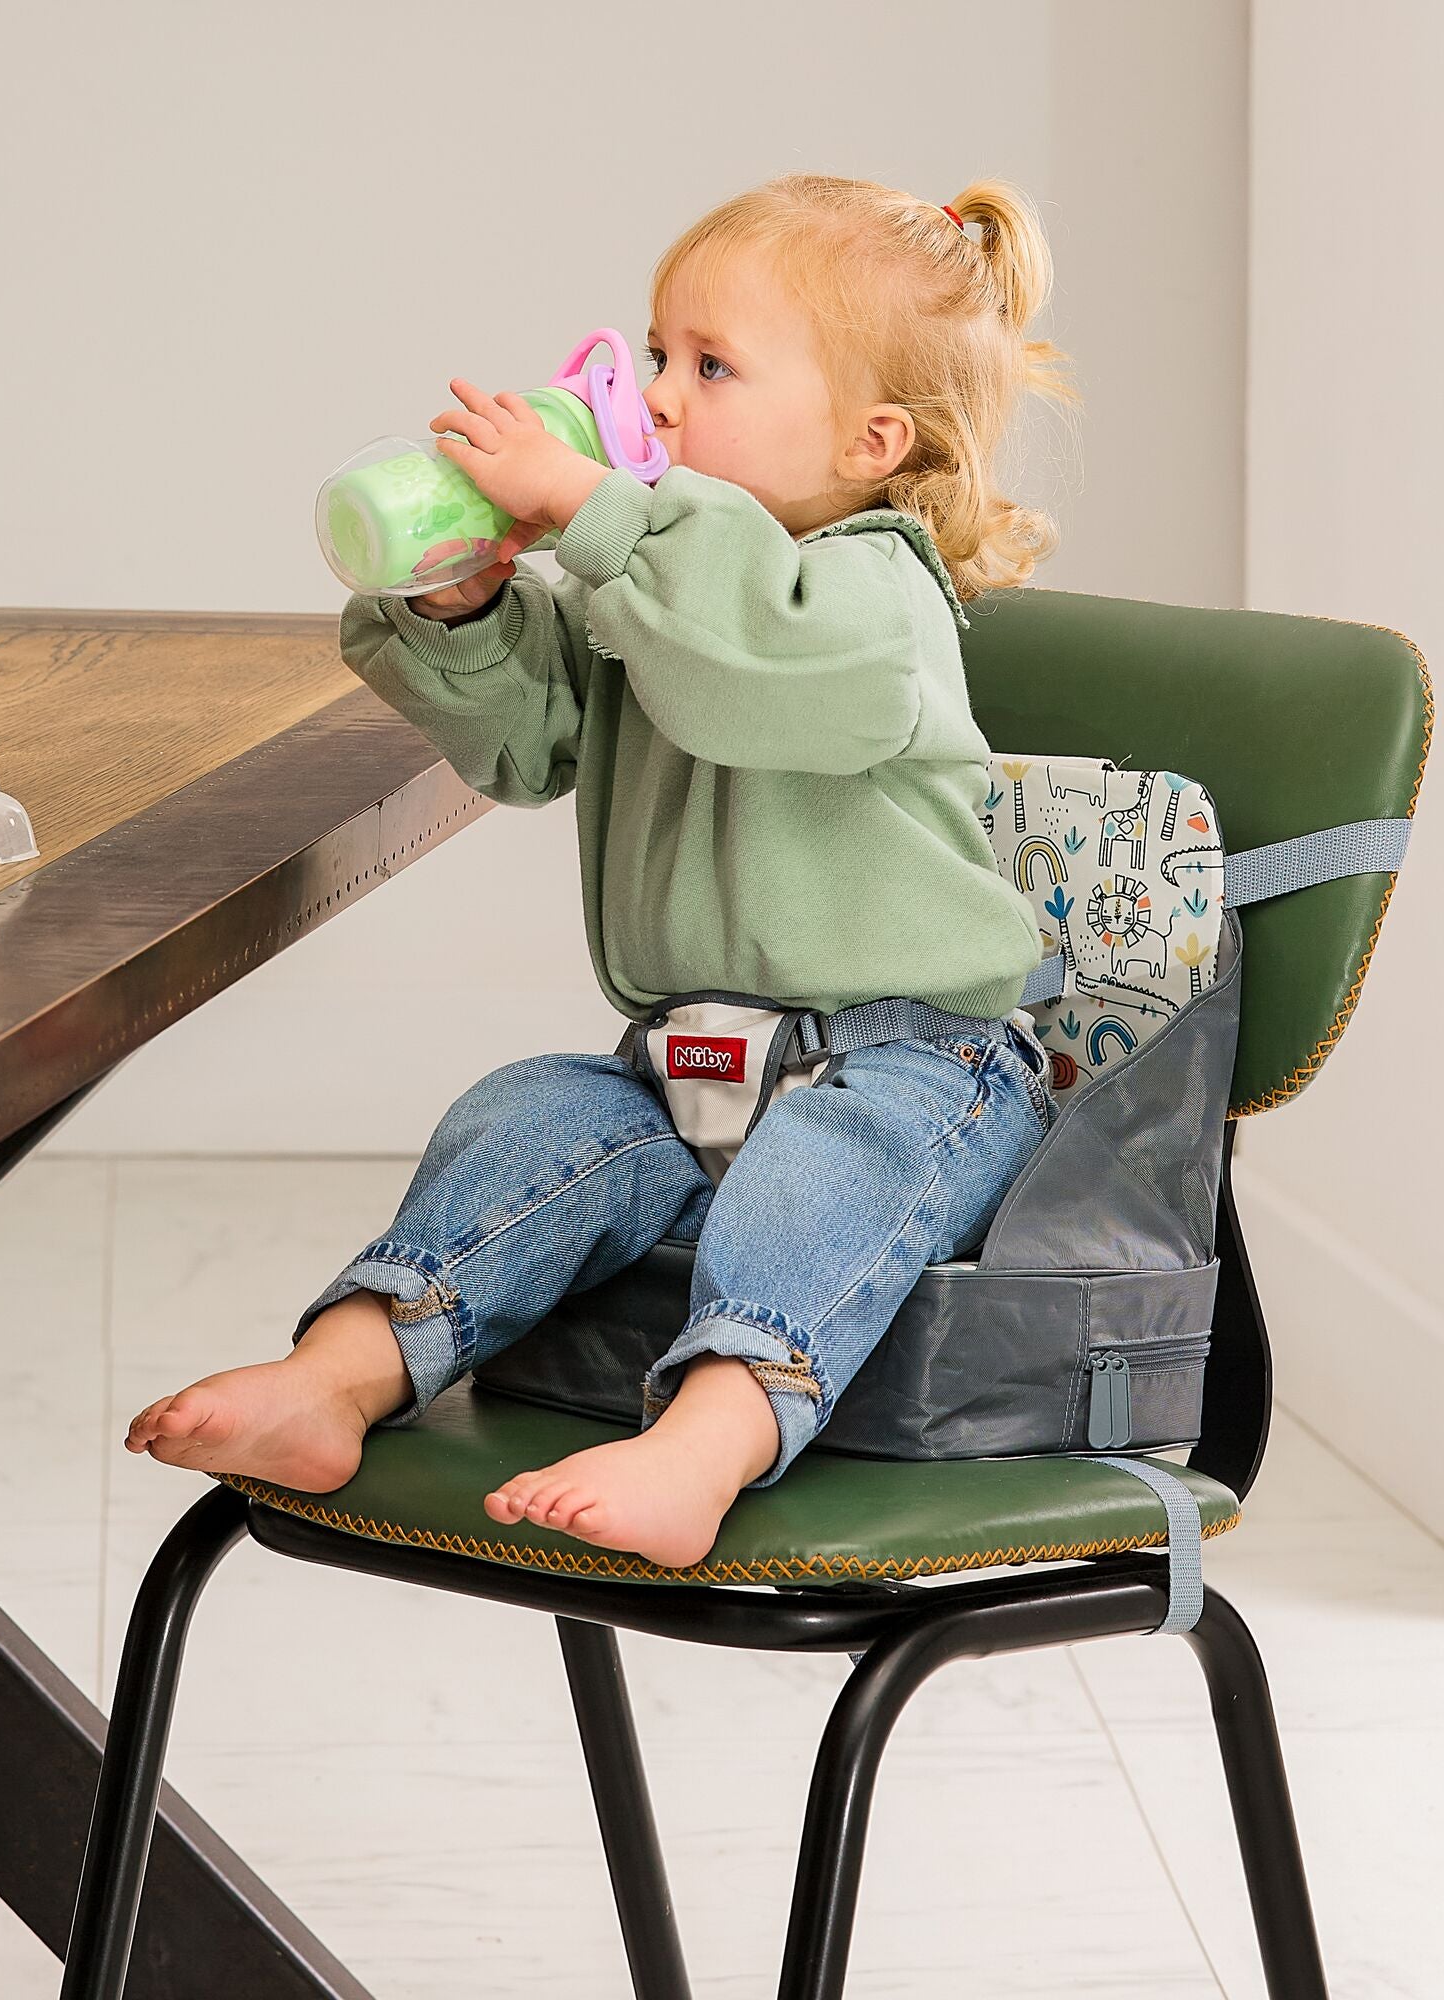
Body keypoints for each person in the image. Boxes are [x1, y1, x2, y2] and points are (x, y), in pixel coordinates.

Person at [126, 173, 1074, 1569]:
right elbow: (528, 747)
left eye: (712, 366)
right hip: (686, 1071)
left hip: (918, 1070)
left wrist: (592, 514)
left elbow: (749, 667)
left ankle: (703, 1443)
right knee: (524, 1119)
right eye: (653, 355)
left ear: (876, 441)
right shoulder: (654, 590)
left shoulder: (874, 600)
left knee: (823, 1173)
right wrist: (469, 605)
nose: (659, 397)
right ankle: (341, 1369)